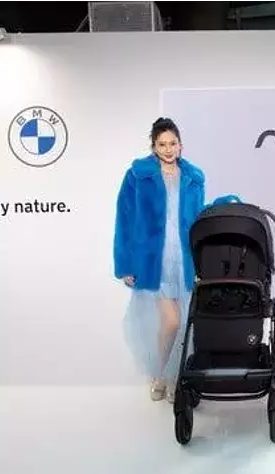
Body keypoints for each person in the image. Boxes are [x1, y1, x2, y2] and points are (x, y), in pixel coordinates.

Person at [113, 117, 206, 403]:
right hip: (155, 261)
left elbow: (199, 218)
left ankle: (177, 377)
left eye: (173, 143)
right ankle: (159, 374)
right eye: (162, 144)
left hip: (185, 260)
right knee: (171, 322)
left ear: (181, 145)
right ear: (153, 146)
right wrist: (125, 265)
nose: (168, 149)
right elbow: (124, 219)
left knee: (187, 325)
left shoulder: (193, 178)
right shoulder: (137, 176)